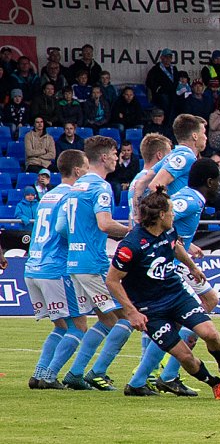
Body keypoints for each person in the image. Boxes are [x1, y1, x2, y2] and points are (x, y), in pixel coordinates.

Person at [106, 186, 220, 398]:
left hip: (177, 296)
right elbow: (112, 280)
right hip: (150, 308)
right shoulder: (131, 245)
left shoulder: (169, 230)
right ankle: (214, 383)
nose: (174, 215)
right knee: (185, 356)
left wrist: (192, 267)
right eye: (171, 211)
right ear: (161, 215)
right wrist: (132, 312)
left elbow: (175, 247)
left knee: (211, 334)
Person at [124, 159, 220, 396]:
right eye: (219, 180)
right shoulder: (190, 200)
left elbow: (169, 227)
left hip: (177, 261)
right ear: (210, 182)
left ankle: (160, 376)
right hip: (169, 267)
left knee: (209, 301)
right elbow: (156, 220)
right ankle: (155, 377)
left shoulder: (193, 199)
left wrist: (185, 244)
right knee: (182, 318)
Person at [60, 136, 132, 390]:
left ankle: (76, 373)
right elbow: (104, 224)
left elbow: (62, 228)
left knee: (107, 319)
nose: (117, 158)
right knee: (128, 316)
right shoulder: (100, 187)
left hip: (74, 261)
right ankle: (95, 371)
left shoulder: (76, 187)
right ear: (103, 157)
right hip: (93, 263)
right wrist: (133, 232)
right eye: (114, 154)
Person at [24, 150, 89, 389]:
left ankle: (39, 373)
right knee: (79, 326)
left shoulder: (48, 195)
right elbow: (64, 228)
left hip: (33, 266)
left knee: (61, 325)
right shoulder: (72, 195)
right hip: (56, 267)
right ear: (78, 170)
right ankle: (49, 376)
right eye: (86, 168)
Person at [146, 114, 208, 197]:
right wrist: (168, 205)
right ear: (195, 136)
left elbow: (142, 181)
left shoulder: (171, 155)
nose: (206, 137)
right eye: (204, 133)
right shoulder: (186, 157)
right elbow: (154, 186)